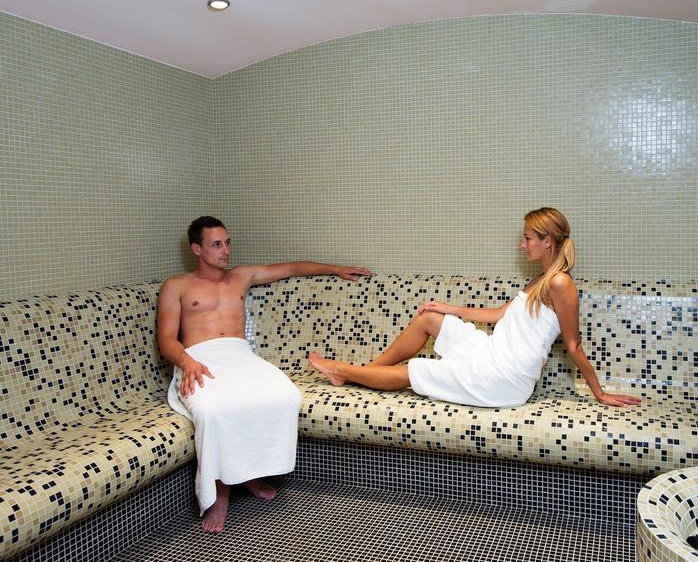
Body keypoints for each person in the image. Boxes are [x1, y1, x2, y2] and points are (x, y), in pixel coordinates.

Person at [158, 216, 372, 532]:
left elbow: (292, 268)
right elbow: (165, 339)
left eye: (227, 243)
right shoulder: (176, 286)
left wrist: (335, 268)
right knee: (213, 410)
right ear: (197, 249)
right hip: (200, 359)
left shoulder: (241, 276)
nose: (225, 250)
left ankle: (249, 475)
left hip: (240, 356)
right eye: (216, 244)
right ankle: (219, 492)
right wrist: (186, 362)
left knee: (286, 396)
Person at [309, 207, 641, 408]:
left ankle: (344, 372)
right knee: (430, 318)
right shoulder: (541, 280)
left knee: (418, 371)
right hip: (492, 353)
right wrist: (450, 308)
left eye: (527, 238)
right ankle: (368, 372)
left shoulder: (560, 284)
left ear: (547, 242)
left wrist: (599, 393)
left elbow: (574, 345)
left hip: (504, 377)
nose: (522, 244)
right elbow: (498, 315)